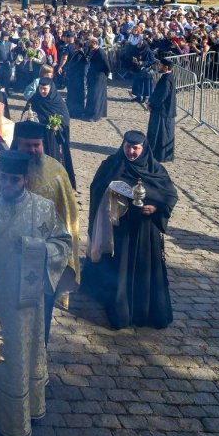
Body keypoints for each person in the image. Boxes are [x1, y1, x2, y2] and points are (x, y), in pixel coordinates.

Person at [0, 151, 71, 436]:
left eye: (14, 180)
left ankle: (17, 415)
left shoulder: (43, 209)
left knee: (17, 355)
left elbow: (63, 244)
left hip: (24, 302)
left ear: (26, 180)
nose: (8, 184)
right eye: (4, 178)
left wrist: (37, 247)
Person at [83, 131, 178, 329]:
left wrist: (156, 208)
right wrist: (109, 197)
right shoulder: (112, 165)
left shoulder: (155, 169)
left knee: (144, 269)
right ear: (122, 145)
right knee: (120, 268)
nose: (131, 151)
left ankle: (144, 311)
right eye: (128, 147)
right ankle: (120, 310)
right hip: (120, 230)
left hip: (145, 231)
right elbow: (97, 187)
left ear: (144, 149)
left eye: (136, 148)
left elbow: (169, 195)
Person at [12, 120, 81, 340]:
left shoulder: (56, 172)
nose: (33, 150)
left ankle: (38, 360)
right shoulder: (2, 169)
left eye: (37, 145)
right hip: (10, 256)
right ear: (17, 144)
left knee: (41, 315)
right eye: (27, 145)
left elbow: (68, 215)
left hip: (43, 258)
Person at [23, 77, 76, 190]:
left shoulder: (57, 102)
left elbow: (65, 119)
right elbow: (25, 116)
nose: (42, 91)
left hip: (52, 140)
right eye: (41, 88)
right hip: (37, 139)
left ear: (50, 88)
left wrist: (58, 126)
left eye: (45, 89)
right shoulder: (33, 100)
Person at [146, 57, 177, 162]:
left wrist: (151, 104)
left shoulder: (167, 79)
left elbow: (162, 96)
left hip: (162, 111)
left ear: (166, 67)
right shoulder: (167, 77)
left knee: (161, 133)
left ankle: (159, 154)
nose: (158, 67)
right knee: (163, 133)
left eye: (160, 66)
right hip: (164, 110)